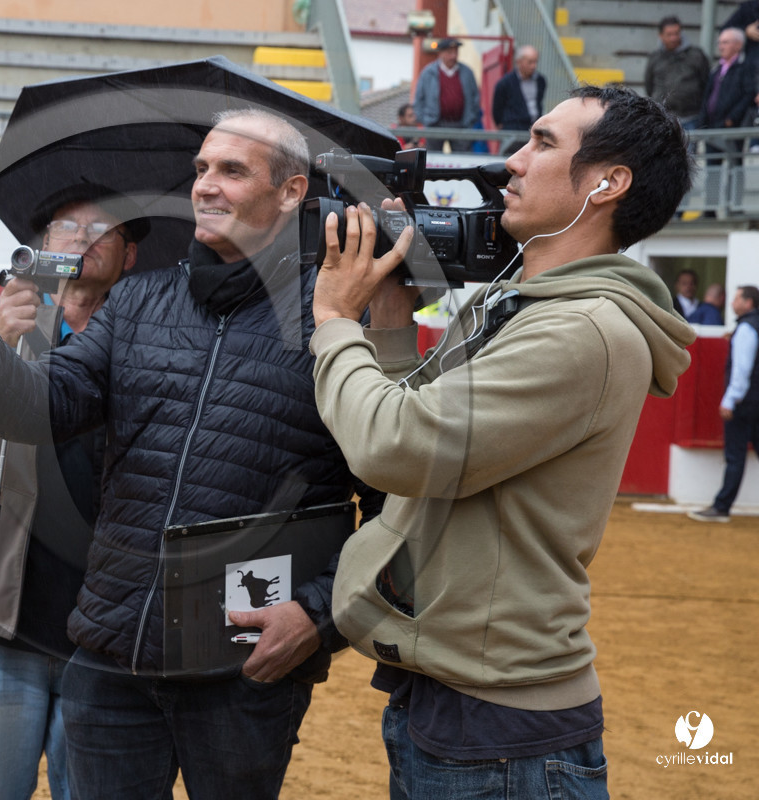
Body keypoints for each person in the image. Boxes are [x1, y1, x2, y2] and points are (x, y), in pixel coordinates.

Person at [0, 107, 381, 799]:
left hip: (244, 662)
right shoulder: (140, 304)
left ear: (292, 192)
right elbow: (48, 403)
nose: (206, 186)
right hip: (111, 654)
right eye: (202, 169)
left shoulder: (336, 323)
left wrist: (319, 614)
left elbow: (392, 503)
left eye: (233, 170)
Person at [310, 85, 695, 798]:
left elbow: (394, 446)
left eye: (543, 143)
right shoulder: (521, 307)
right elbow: (424, 458)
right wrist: (390, 322)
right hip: (459, 698)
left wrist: (335, 319)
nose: (512, 162)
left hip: (503, 732)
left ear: (608, 184)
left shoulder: (581, 330)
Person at [0, 185, 146, 800]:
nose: (82, 237)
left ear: (131, 256)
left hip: (108, 631)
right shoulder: (2, 326)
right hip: (6, 618)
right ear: (39, 246)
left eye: (103, 228)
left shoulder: (152, 344)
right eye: (66, 225)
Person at [690, 285, 759, 522]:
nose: (732, 303)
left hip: (745, 402)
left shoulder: (747, 329)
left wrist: (730, 399)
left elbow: (742, 370)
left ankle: (721, 507)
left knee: (735, 455)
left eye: (737, 298)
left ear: (748, 303)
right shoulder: (749, 327)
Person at [701, 27, 755, 211]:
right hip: (712, 126)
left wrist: (733, 118)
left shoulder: (744, 68)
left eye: (725, 42)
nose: (720, 46)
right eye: (720, 42)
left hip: (732, 127)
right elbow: (708, 96)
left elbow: (748, 94)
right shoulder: (717, 70)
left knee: (734, 166)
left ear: (738, 45)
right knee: (712, 169)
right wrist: (703, 120)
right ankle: (710, 209)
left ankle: (734, 207)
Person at [413, 37, 481, 153]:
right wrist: (425, 120)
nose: (453, 56)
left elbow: (475, 98)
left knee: (462, 160)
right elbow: (419, 99)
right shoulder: (428, 73)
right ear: (441, 53)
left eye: (455, 52)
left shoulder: (467, 72)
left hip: (461, 124)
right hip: (435, 124)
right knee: (432, 159)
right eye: (450, 52)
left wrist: (470, 119)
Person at [645, 16, 710, 129]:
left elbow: (707, 83)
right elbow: (649, 85)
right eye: (669, 34)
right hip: (662, 117)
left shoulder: (696, 55)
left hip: (691, 116)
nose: (674, 38)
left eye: (676, 33)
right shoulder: (655, 58)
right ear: (661, 36)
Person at [492, 45, 547, 155]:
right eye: (530, 62)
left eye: (535, 62)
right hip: (513, 131)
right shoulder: (505, 83)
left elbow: (538, 103)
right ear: (519, 62)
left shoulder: (540, 81)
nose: (533, 66)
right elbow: (497, 109)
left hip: (533, 130)